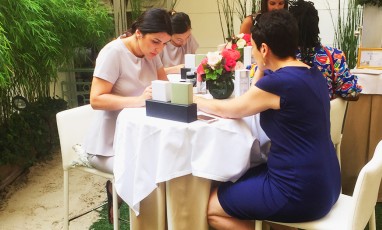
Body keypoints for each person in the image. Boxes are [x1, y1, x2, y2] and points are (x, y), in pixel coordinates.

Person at [194, 9, 341, 229]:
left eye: (253, 46)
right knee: (238, 180)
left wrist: (194, 99)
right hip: (328, 181)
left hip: (298, 190)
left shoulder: (280, 83)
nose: (252, 52)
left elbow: (231, 109)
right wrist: (262, 68)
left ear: (264, 48)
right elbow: (254, 94)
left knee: (211, 208)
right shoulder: (312, 73)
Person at [84, 8, 172, 224]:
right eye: (155, 41)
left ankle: (167, 222)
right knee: (153, 170)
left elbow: (163, 87)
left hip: (140, 139)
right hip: (108, 145)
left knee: (171, 163)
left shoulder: (151, 54)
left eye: (164, 44)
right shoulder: (113, 52)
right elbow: (96, 100)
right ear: (139, 33)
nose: (159, 49)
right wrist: (137, 100)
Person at [289, 0, 362, 100]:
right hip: (325, 114)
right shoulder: (334, 56)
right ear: (316, 25)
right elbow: (352, 93)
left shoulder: (281, 56)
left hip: (290, 114)